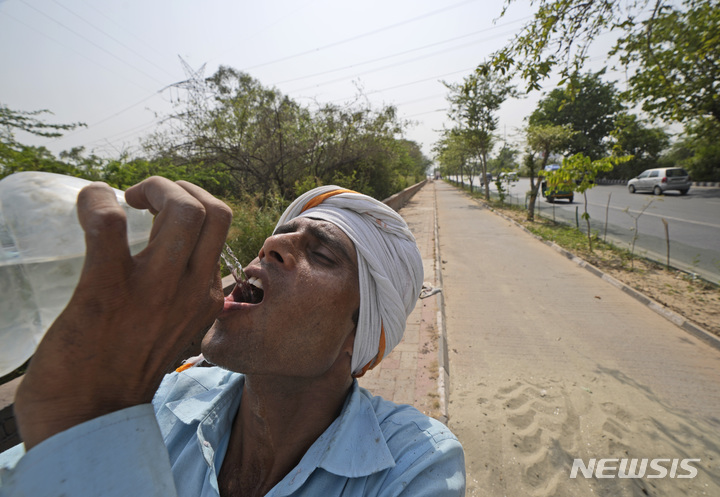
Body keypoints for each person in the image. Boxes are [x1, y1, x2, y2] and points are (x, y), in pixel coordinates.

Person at [0, 177, 465, 496]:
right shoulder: (170, 397)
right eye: (280, 234)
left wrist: (97, 414)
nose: (272, 245)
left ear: (357, 333)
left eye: (322, 254)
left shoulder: (412, 463)